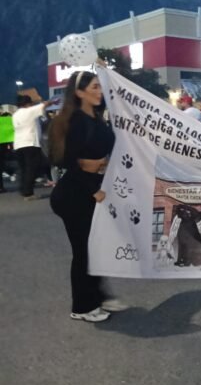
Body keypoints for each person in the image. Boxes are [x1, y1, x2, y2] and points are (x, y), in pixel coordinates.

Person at [48, 70, 126, 322]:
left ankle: (98, 296)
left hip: (90, 189)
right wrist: (95, 191)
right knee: (84, 251)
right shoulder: (76, 121)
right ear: (79, 92)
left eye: (99, 86)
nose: (99, 91)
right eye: (93, 87)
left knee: (95, 247)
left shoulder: (97, 118)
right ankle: (82, 307)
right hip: (74, 194)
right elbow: (70, 162)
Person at [12, 95, 55, 200]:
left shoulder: (15, 114)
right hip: (30, 143)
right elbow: (44, 105)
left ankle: (24, 190)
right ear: (28, 104)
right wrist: (52, 101)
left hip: (18, 144)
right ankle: (28, 193)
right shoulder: (29, 111)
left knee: (24, 168)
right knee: (32, 168)